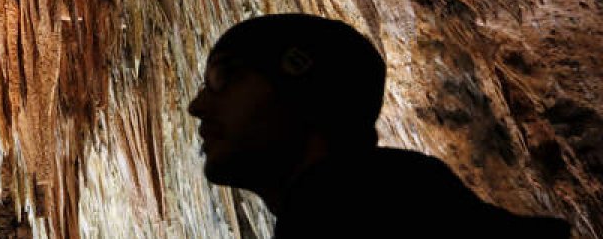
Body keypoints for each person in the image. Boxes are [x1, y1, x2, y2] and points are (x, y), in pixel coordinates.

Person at [187, 13, 571, 239]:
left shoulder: (394, 216)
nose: (196, 106)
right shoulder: (411, 202)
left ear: (304, 87)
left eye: (224, 79)